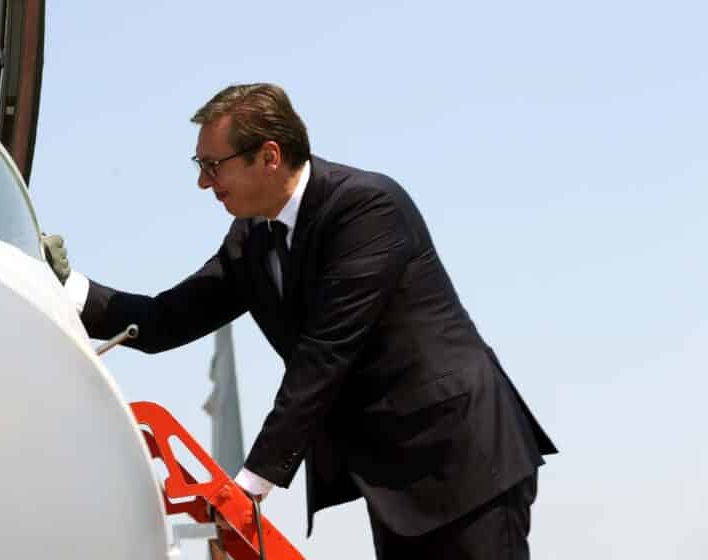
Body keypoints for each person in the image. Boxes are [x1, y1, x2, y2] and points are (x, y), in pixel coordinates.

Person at [43, 83, 556, 559]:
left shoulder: (367, 209)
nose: (203, 182)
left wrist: (249, 485)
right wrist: (64, 286)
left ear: (269, 156)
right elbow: (165, 320)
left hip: (463, 458)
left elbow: (326, 353)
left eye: (213, 166)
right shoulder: (251, 239)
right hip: (395, 481)